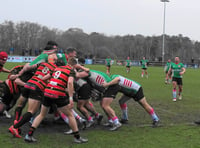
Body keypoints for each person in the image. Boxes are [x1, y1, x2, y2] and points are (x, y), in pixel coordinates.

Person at [23, 58, 88, 144]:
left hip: (47, 92)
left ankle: (29, 135)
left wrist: (52, 83)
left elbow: (44, 78)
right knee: (70, 115)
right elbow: (70, 83)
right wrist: (71, 98)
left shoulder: (57, 68)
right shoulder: (70, 70)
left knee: (41, 114)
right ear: (74, 65)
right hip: (58, 94)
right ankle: (77, 137)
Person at [8, 60, 61, 138]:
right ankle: (15, 127)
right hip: (37, 87)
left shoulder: (43, 63)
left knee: (20, 105)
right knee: (31, 112)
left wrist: (19, 74)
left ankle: (16, 122)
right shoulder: (56, 70)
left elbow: (29, 66)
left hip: (28, 84)